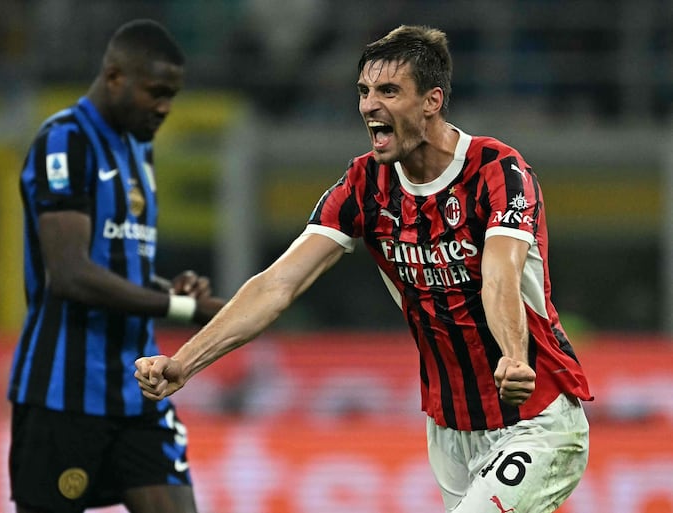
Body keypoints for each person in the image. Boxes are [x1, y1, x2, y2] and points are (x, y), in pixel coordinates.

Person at [135, 24, 593, 513]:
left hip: (536, 415)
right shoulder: (363, 184)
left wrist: (513, 356)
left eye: (389, 91)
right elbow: (278, 283)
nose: (369, 105)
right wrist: (184, 363)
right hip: (450, 428)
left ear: (431, 101)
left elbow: (499, 274)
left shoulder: (498, 170)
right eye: (364, 91)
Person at [7, 19, 225, 513]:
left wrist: (173, 288)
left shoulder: (139, 147)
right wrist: (182, 306)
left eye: (173, 94)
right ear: (114, 76)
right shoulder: (64, 142)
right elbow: (70, 274)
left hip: (136, 390)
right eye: (156, 92)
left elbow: (116, 262)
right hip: (62, 394)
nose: (165, 107)